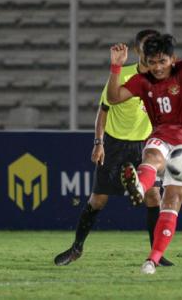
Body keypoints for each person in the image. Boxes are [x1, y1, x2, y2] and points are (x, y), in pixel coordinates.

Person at [54, 29, 174, 267]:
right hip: (115, 143)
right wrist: (99, 143)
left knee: (153, 196)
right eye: (147, 46)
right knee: (98, 199)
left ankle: (156, 255)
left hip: (145, 144)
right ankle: (76, 248)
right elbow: (103, 110)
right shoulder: (123, 74)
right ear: (139, 50)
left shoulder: (162, 78)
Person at [106, 31, 182, 274]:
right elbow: (114, 98)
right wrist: (115, 68)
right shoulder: (141, 80)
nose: (157, 67)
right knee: (152, 157)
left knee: (172, 201)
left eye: (162, 61)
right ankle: (139, 186)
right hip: (161, 134)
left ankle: (152, 259)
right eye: (152, 62)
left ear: (172, 59)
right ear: (146, 61)